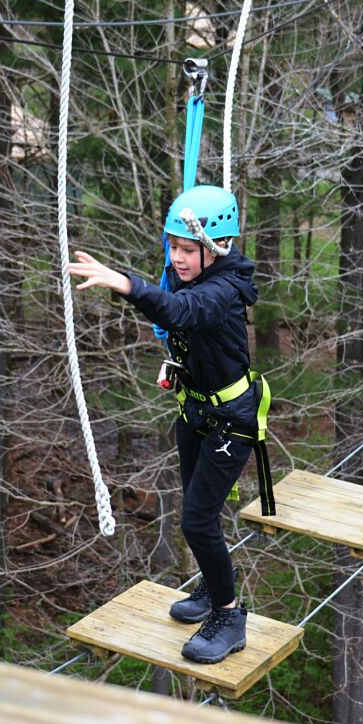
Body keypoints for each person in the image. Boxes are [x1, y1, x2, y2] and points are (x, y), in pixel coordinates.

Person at [67, 184, 273, 665]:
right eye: (172, 247)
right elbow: (176, 306)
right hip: (196, 410)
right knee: (198, 517)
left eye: (186, 249)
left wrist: (126, 284)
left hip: (232, 420)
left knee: (197, 520)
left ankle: (229, 615)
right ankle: (212, 584)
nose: (177, 259)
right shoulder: (192, 273)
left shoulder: (222, 291)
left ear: (216, 247)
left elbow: (182, 311)